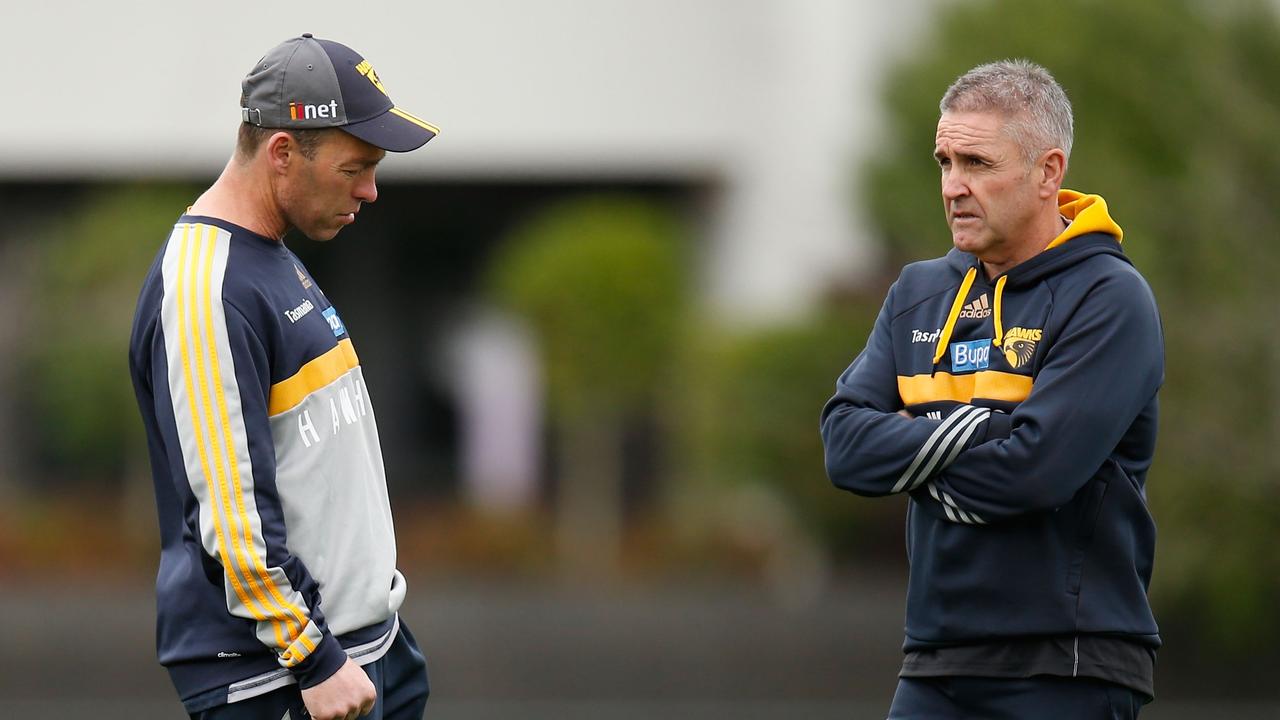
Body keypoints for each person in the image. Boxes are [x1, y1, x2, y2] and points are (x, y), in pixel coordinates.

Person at [820, 59, 1163, 719]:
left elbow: (1033, 475)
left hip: (1068, 664)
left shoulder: (1110, 297)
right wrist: (987, 428)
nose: (953, 186)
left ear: (1048, 172)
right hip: (934, 661)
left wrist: (912, 461)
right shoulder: (917, 291)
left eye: (978, 164)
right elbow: (843, 445)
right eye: (945, 162)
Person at [128, 34, 440, 720]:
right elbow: (231, 511)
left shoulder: (266, 254)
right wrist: (313, 656)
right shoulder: (207, 286)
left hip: (366, 650)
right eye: (354, 167)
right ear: (282, 154)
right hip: (285, 678)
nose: (371, 189)